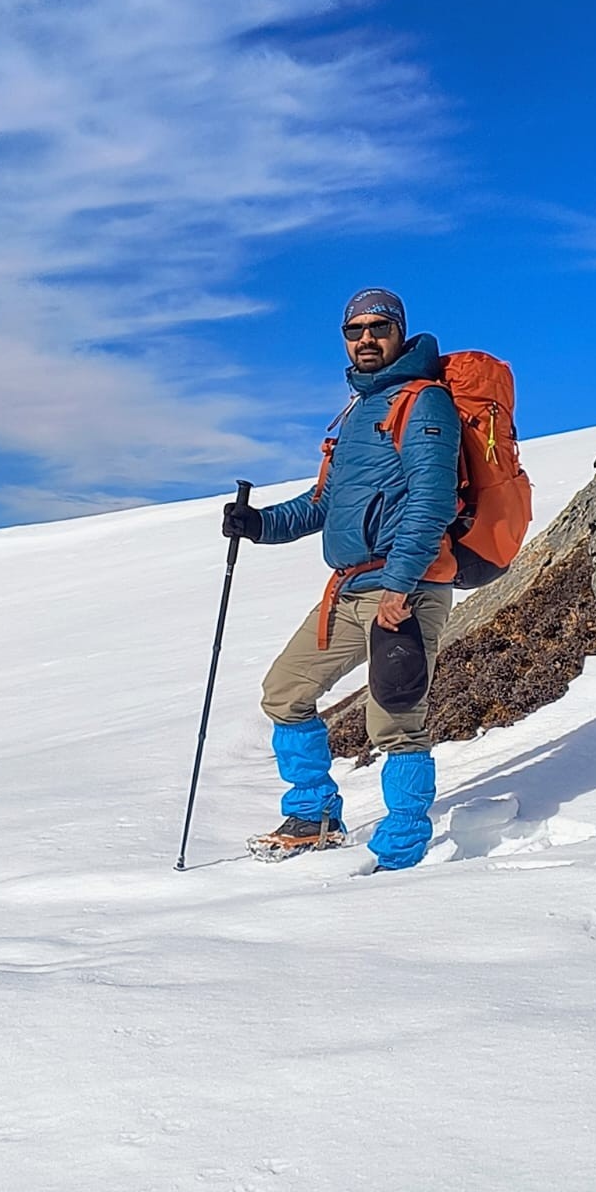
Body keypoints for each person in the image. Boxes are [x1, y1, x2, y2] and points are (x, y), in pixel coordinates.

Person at [223, 287, 460, 871]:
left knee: (396, 722)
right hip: (349, 590)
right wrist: (257, 525)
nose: (367, 340)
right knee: (285, 692)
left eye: (379, 328)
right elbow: (324, 502)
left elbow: (431, 504)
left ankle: (403, 847)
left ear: (400, 332)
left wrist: (401, 587)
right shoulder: (357, 412)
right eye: (355, 331)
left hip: (402, 591)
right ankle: (314, 815)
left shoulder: (423, 403)